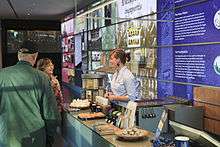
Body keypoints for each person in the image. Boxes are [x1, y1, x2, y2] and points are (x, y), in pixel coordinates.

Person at [0, 40, 61, 147]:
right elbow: (51, 114)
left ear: (18, 55)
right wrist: (49, 138)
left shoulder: (2, 75)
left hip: (7, 138)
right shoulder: (42, 77)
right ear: (35, 56)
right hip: (35, 138)